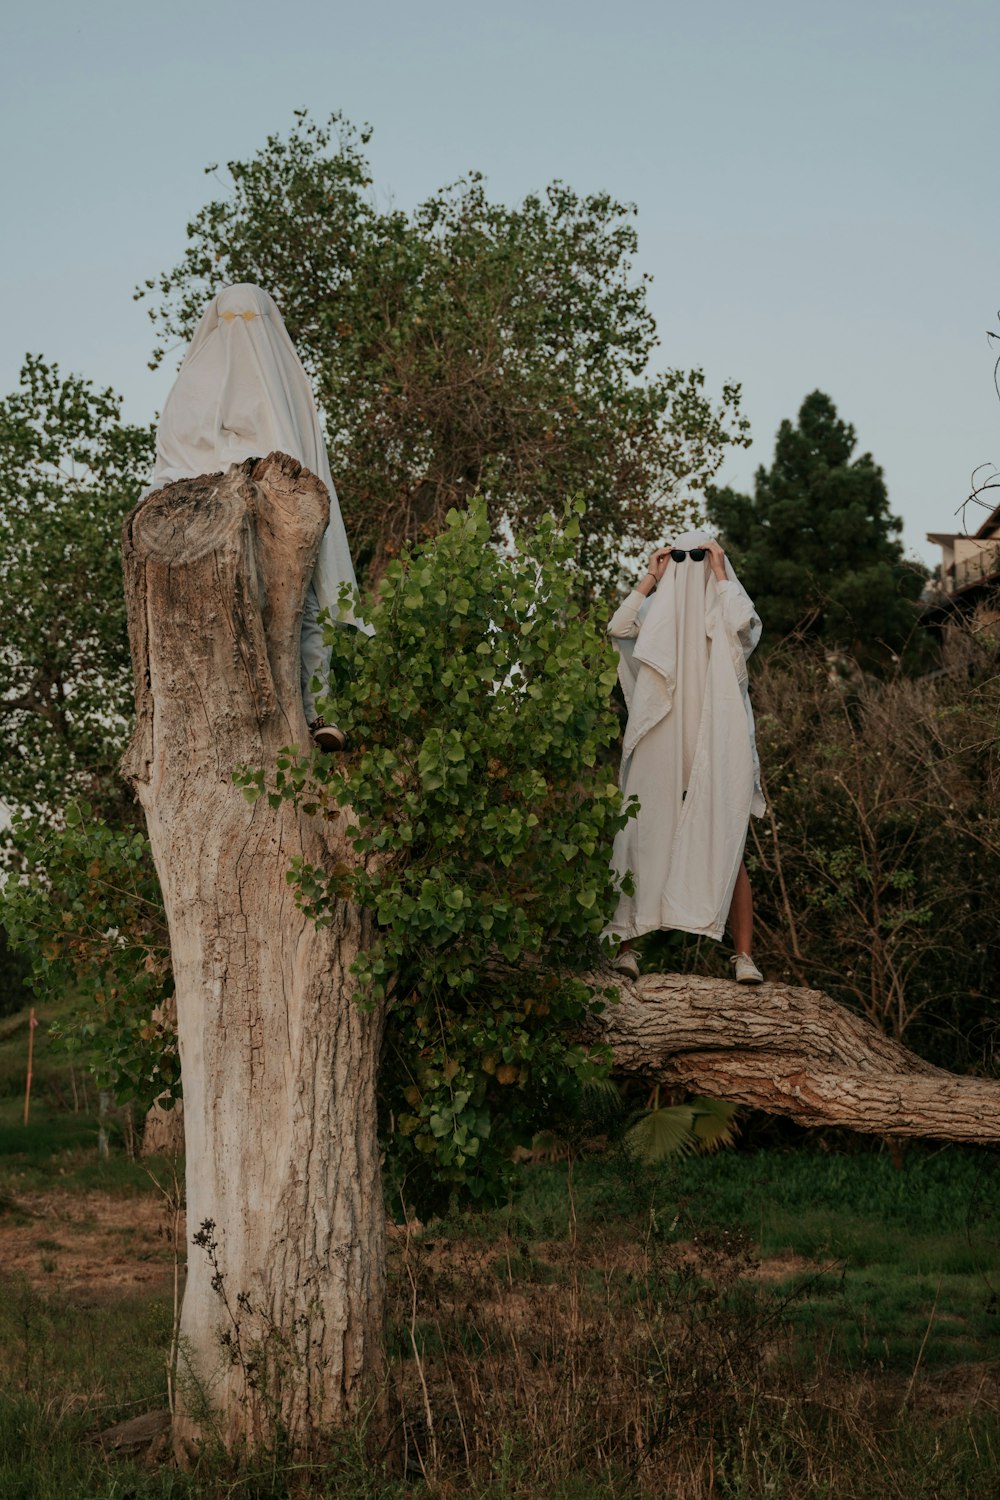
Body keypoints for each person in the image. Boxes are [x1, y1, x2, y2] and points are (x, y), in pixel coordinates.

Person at [144, 282, 369, 750]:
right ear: (217, 321)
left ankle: (315, 712)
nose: (243, 332)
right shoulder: (198, 380)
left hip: (284, 512)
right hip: (213, 519)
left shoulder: (283, 377)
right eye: (233, 320)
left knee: (303, 603)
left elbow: (297, 453)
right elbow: (179, 447)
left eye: (252, 320)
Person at [605, 531, 765, 984]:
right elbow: (618, 628)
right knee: (639, 832)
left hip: (713, 733)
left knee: (726, 837)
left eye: (698, 554)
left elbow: (746, 627)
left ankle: (744, 957)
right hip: (662, 730)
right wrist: (649, 580)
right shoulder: (657, 612)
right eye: (681, 556)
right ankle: (627, 947)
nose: (689, 563)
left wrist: (719, 571)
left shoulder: (723, 606)